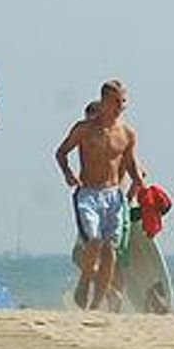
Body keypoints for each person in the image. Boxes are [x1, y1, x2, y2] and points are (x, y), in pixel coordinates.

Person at [56, 81, 145, 310]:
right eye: (116, 101)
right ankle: (85, 281)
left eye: (123, 101)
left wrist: (139, 182)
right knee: (94, 240)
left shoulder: (127, 133)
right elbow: (62, 152)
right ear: (104, 102)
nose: (121, 106)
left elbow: (131, 163)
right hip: (88, 194)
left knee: (110, 250)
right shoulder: (84, 129)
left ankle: (96, 304)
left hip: (114, 196)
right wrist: (68, 173)